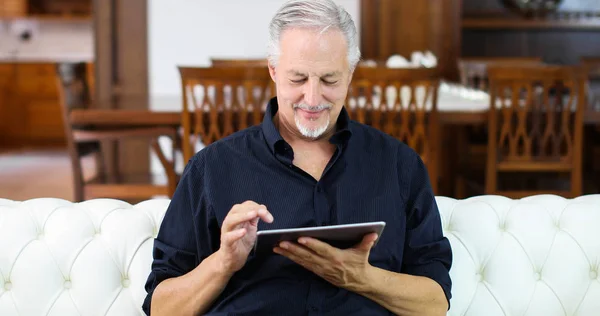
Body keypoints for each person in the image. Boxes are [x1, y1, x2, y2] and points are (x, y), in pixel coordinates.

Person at [142, 0, 452, 315]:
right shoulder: (212, 167)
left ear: (350, 73)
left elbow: (435, 303)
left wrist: (363, 278)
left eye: (329, 79)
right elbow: (161, 308)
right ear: (273, 70)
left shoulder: (399, 165)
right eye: (298, 79)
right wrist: (223, 263)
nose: (313, 98)